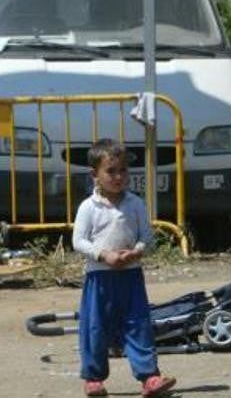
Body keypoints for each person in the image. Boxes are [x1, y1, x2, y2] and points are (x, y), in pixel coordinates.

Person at [71, 138, 176, 398]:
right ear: (95, 174)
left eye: (123, 170)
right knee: (95, 328)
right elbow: (78, 241)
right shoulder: (88, 207)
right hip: (100, 278)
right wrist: (103, 254)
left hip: (131, 276)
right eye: (111, 171)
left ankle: (150, 377)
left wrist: (136, 252)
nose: (118, 177)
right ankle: (93, 378)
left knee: (138, 325)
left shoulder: (135, 204)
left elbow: (147, 238)